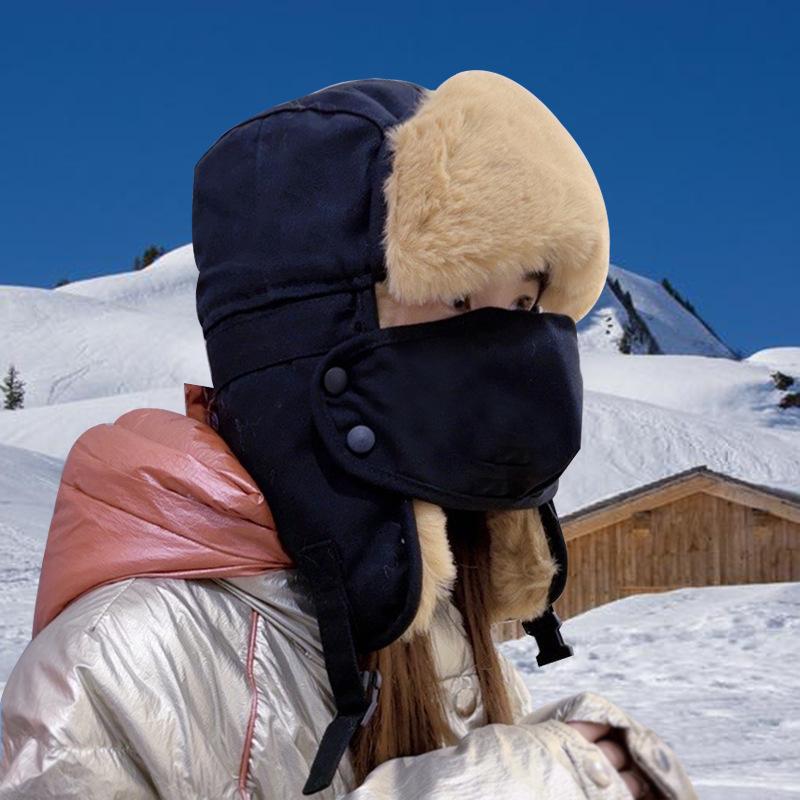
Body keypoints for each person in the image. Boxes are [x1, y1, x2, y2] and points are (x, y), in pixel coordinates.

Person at [0, 70, 698, 799]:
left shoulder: (433, 624)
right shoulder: (111, 667)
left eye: (522, 304)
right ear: (311, 330)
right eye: (458, 296)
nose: (505, 348)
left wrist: (570, 764)